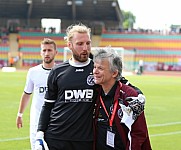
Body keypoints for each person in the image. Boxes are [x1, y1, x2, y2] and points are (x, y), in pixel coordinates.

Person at [35, 23, 146, 150]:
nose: (85, 48)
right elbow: (48, 105)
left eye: (88, 43)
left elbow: (121, 82)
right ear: (69, 45)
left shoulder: (97, 68)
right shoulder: (57, 72)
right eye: (80, 44)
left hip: (85, 139)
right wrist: (40, 133)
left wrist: (139, 95)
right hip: (56, 137)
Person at [93, 47, 151, 150]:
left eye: (100, 68)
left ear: (114, 73)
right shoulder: (95, 93)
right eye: (94, 67)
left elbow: (138, 134)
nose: (95, 71)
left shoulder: (130, 97)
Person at [16, 38, 58, 150]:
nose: (47, 53)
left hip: (56, 121)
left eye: (49, 50)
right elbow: (27, 93)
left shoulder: (62, 72)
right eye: (44, 50)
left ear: (56, 52)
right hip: (37, 121)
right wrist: (20, 114)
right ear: (40, 52)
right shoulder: (33, 72)